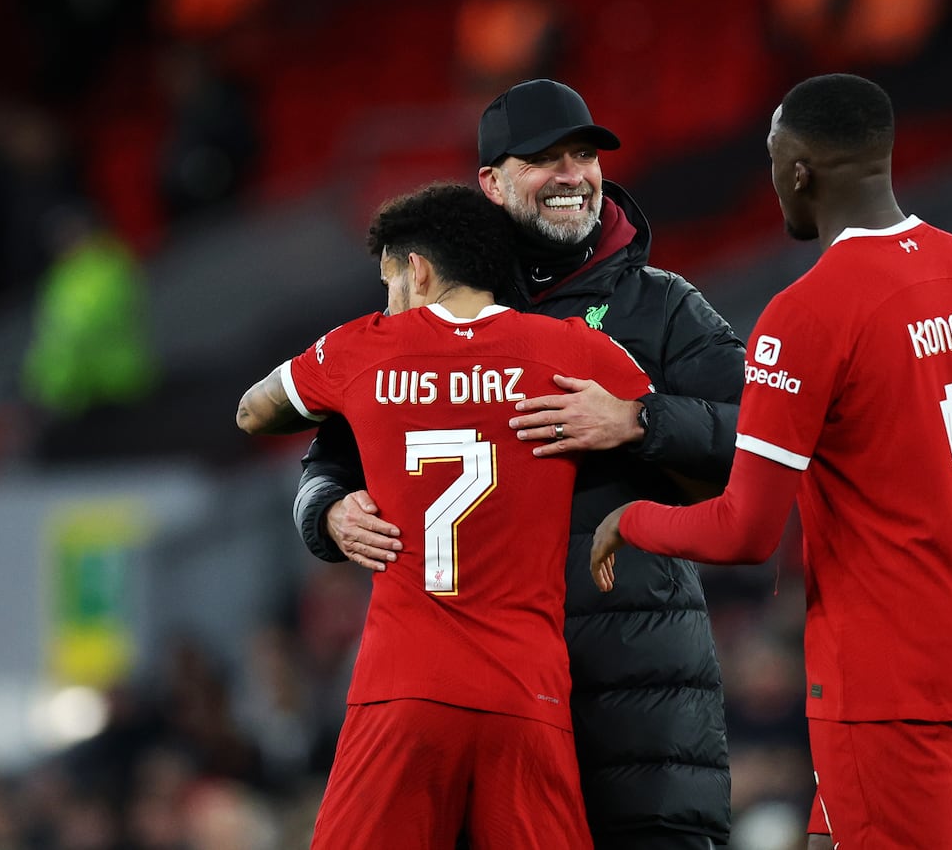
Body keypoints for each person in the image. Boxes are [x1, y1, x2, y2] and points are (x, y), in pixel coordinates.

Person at [591, 73, 952, 849]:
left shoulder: (805, 314)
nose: (770, 184)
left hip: (886, 683)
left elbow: (746, 530)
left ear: (799, 170)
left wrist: (632, 519)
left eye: (772, 163)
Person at [292, 79, 739, 849]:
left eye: (583, 156)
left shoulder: (663, 306)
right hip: (479, 699)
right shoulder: (421, 317)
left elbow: (758, 440)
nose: (573, 175)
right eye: (544, 160)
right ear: (491, 184)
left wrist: (637, 419)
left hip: (636, 695)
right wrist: (326, 509)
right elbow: (328, 455)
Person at [237, 182, 654, 848]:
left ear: (417, 268)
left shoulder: (363, 349)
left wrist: (349, 411)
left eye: (389, 281)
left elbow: (253, 409)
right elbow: (681, 429)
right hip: (527, 692)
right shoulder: (572, 350)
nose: (388, 301)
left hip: (402, 689)